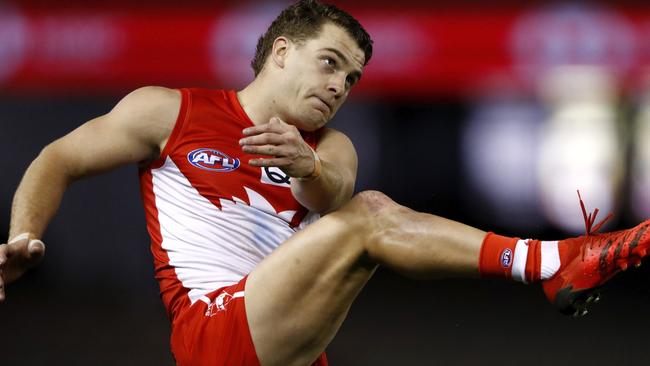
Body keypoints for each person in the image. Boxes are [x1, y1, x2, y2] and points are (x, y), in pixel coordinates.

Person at [1, 1, 649, 365]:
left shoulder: (329, 147)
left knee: (362, 215)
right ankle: (550, 263)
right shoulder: (168, 112)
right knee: (370, 217)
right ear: (281, 52)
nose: (340, 85)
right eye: (330, 63)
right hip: (214, 330)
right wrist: (24, 236)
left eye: (353, 78)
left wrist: (305, 166)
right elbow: (55, 159)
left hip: (291, 345)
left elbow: (332, 195)